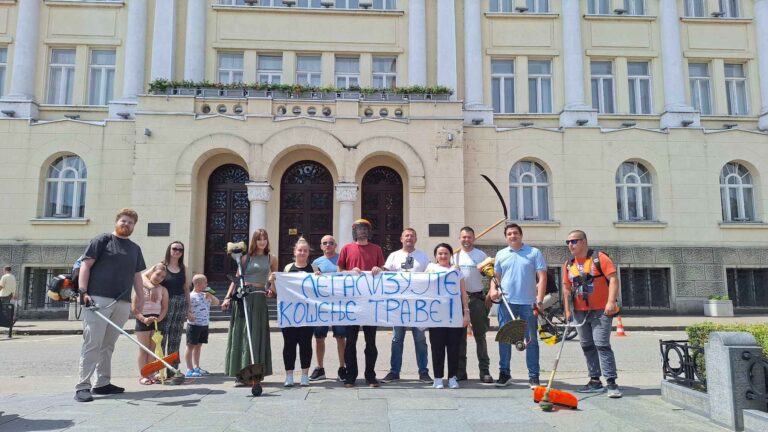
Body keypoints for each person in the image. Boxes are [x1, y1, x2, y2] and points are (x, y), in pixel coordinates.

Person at [75, 208, 146, 403]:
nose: (126, 224)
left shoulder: (134, 248)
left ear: (134, 226)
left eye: (130, 223)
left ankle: (102, 383)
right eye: (123, 221)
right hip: (98, 299)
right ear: (117, 222)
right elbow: (85, 265)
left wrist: (140, 298)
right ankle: (83, 386)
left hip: (122, 302)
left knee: (108, 345)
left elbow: (137, 276)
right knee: (93, 343)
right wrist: (83, 291)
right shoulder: (102, 240)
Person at [562, 229, 622, 398]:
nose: (570, 245)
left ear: (584, 242)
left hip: (601, 310)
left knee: (601, 344)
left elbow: (613, 279)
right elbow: (567, 289)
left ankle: (611, 382)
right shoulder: (568, 264)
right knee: (587, 345)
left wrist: (611, 302)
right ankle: (594, 380)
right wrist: (567, 311)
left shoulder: (599, 258)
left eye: (574, 241)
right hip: (580, 311)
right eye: (568, 242)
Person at [488, 223, 547, 389]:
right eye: (509, 234)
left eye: (515, 233)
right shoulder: (501, 254)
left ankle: (534, 376)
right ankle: (504, 373)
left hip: (528, 303)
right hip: (507, 303)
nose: (512, 236)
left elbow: (542, 278)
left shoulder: (534, 253)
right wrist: (493, 290)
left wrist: (540, 299)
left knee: (531, 340)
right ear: (506, 237)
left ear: (521, 235)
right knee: (505, 339)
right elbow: (496, 277)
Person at [221, 229, 276, 386]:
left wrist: (272, 288)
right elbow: (236, 280)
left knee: (257, 334)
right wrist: (227, 298)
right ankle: (240, 374)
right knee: (243, 334)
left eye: (265, 238)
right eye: (259, 239)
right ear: (254, 241)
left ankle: (256, 373)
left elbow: (274, 279)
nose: (262, 241)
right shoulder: (246, 258)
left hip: (259, 298)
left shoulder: (272, 258)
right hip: (244, 298)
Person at [337, 219, 385, 388]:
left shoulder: (377, 249)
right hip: (352, 303)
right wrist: (349, 272)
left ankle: (370, 376)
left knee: (370, 342)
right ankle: (351, 376)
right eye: (359, 229)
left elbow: (383, 270)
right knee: (350, 342)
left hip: (371, 304)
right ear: (354, 231)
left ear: (369, 231)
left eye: (365, 228)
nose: (362, 231)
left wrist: (379, 269)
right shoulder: (346, 249)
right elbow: (340, 271)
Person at [381, 228, 432, 384]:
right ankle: (394, 372)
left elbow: (432, 275)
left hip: (418, 305)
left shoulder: (423, 256)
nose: (409, 238)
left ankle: (423, 372)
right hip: (399, 305)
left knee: (420, 339)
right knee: (397, 339)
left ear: (416, 238)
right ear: (401, 238)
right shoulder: (394, 256)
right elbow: (385, 276)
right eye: (406, 236)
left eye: (412, 235)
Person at [452, 226, 493, 384]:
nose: (466, 240)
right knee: (460, 338)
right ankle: (461, 371)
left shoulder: (481, 255)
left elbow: (491, 275)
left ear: (474, 238)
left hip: (477, 299)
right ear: (459, 238)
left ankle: (484, 371)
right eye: (463, 237)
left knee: (480, 336)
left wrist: (490, 294)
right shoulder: (454, 257)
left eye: (469, 237)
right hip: (458, 301)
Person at [426, 243, 470, 389]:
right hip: (436, 316)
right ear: (436, 256)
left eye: (445, 253)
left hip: (454, 315)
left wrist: (466, 313)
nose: (443, 256)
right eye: (440, 253)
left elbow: (463, 293)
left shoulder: (456, 271)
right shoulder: (430, 269)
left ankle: (452, 377)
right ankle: (438, 378)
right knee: (437, 347)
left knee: (454, 348)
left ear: (450, 255)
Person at [279, 238, 317, 387]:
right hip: (289, 314)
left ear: (309, 253)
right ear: (294, 252)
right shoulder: (288, 268)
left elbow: (319, 291)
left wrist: (320, 280)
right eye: (300, 250)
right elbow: (280, 290)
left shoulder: (314, 269)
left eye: (305, 250)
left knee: (305, 344)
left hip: (307, 314)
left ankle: (305, 375)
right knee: (289, 344)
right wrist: (274, 280)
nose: (302, 252)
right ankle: (289, 375)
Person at [309, 234, 347, 382]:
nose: (328, 245)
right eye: (325, 243)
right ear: (321, 246)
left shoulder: (342, 260)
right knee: (319, 337)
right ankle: (320, 368)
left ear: (335, 245)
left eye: (331, 242)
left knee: (341, 337)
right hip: (322, 305)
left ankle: (342, 368)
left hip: (339, 305)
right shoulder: (316, 262)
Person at [152, 241, 190, 376]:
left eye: (180, 249)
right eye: (174, 248)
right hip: (165, 304)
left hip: (180, 303)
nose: (177, 251)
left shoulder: (183, 268)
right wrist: (152, 288)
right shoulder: (161, 265)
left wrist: (189, 308)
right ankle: (159, 370)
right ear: (169, 250)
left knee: (175, 338)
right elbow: (145, 277)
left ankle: (172, 370)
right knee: (161, 337)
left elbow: (186, 288)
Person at [133, 263, 169, 385]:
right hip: (143, 320)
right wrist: (143, 319)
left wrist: (159, 319)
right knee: (143, 349)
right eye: (158, 274)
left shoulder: (163, 290)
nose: (159, 278)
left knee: (153, 349)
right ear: (151, 273)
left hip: (156, 321)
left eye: (162, 277)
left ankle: (151, 373)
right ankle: (143, 375)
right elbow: (135, 309)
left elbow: (164, 307)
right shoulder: (141, 287)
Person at [185, 274, 220, 378]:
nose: (206, 285)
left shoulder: (206, 294)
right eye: (204, 283)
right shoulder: (191, 296)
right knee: (190, 346)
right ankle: (189, 369)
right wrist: (188, 314)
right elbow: (186, 307)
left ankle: (196, 366)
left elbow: (217, 303)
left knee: (199, 346)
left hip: (204, 324)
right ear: (197, 284)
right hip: (194, 325)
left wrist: (211, 296)